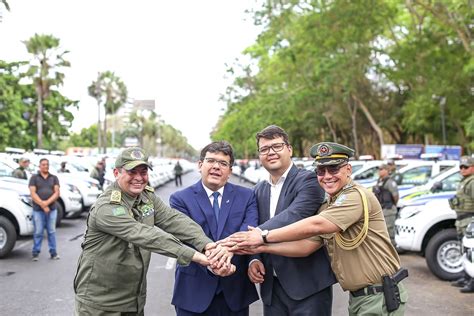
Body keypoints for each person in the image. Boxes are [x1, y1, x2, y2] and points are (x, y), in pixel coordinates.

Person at [227, 142, 408, 315]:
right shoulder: (329, 204)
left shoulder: (355, 196)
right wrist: (262, 248)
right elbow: (306, 247)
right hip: (361, 298)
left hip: (379, 294)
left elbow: (317, 225)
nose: (327, 176)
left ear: (348, 169)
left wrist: (263, 235)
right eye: (321, 171)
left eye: (334, 168)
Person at [74, 147, 234, 315]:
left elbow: (173, 219)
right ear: (116, 173)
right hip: (99, 304)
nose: (138, 178)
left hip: (133, 300)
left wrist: (207, 245)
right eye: (132, 172)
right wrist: (200, 258)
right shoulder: (106, 207)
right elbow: (146, 235)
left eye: (143, 172)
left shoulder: (146, 197)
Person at [247, 125, 336, 315]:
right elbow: (252, 224)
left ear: (289, 149)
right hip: (272, 288)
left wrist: (252, 237)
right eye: (264, 149)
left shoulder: (309, 180)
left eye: (276, 146)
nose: (270, 152)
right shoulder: (258, 190)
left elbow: (294, 215)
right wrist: (253, 258)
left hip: (308, 288)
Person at [169, 141, 259, 315]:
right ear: (200, 165)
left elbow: (248, 230)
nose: (216, 167)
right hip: (193, 293)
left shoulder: (247, 196)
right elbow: (183, 238)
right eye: (211, 161)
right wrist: (213, 263)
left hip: (235, 292)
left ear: (230, 171)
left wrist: (227, 254)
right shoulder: (180, 199)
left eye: (223, 163)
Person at [449, 155, 474, 293]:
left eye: (466, 167)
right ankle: (466, 276)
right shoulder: (464, 181)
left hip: (470, 220)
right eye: (461, 167)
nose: (463, 169)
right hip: (462, 220)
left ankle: (473, 280)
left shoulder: (472, 182)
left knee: (472, 253)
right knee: (464, 251)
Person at [28, 158, 60, 261]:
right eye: (43, 164)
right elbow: (33, 194)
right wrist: (43, 205)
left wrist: (46, 203)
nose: (45, 166)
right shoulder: (34, 178)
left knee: (51, 231)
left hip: (52, 209)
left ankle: (53, 253)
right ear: (39, 166)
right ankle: (35, 253)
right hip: (38, 209)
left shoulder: (54, 178)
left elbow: (57, 193)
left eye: (47, 164)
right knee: (38, 232)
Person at [373, 163, 399, 246]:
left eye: (381, 169)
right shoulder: (379, 181)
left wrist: (392, 205)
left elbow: (395, 196)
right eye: (379, 169)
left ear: (387, 171)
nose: (379, 171)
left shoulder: (390, 182)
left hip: (388, 210)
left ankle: (392, 249)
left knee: (389, 231)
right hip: (381, 209)